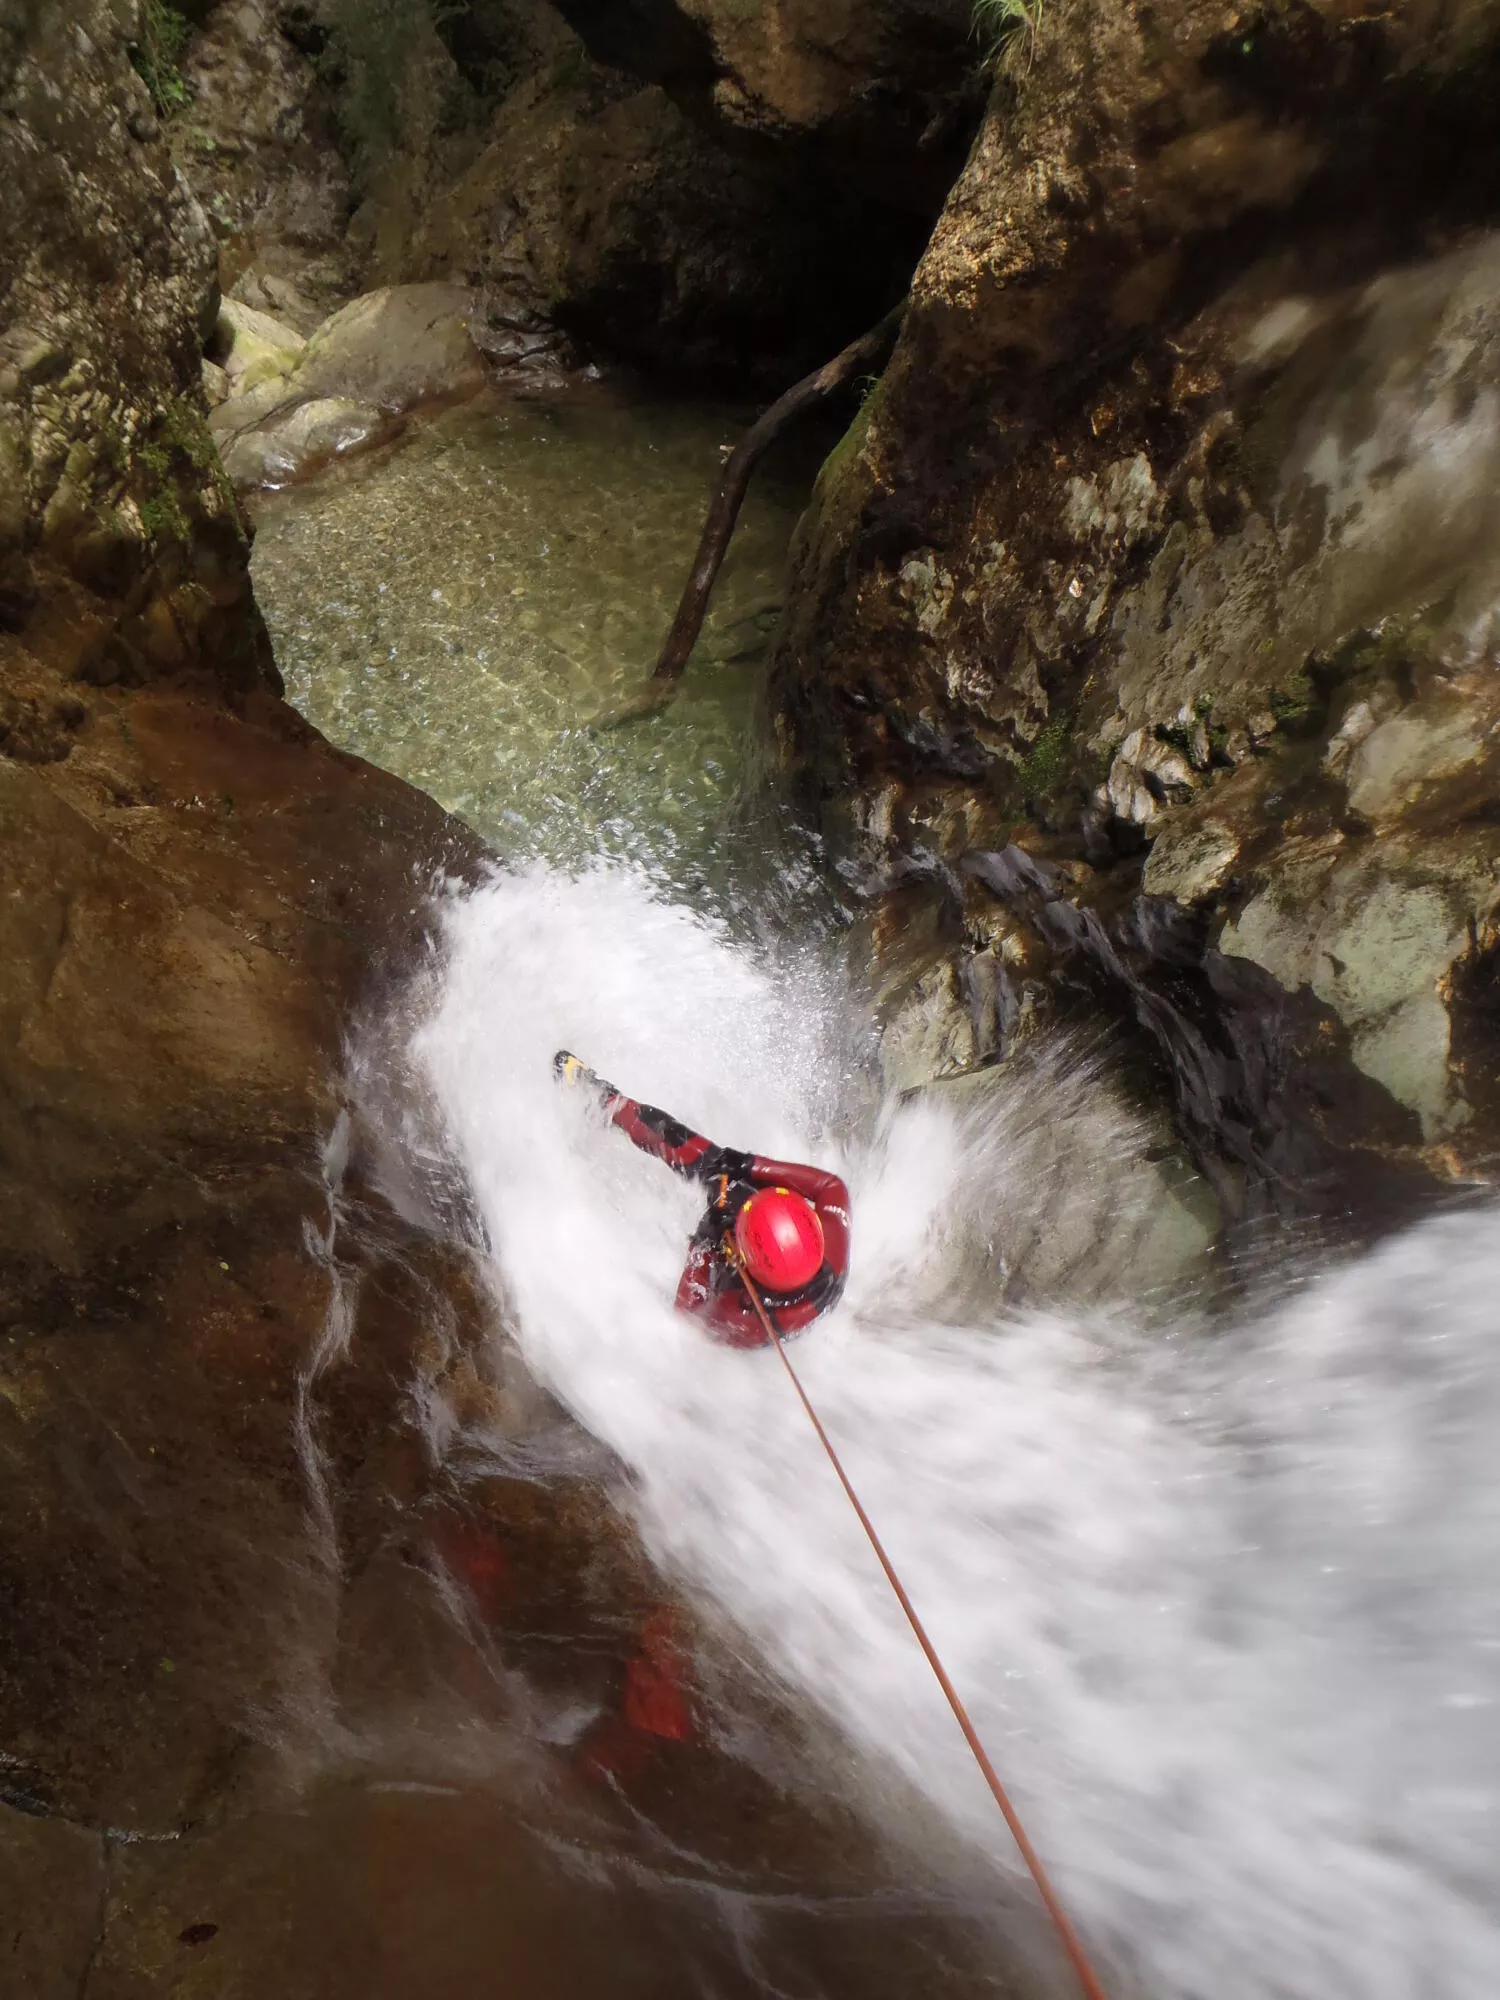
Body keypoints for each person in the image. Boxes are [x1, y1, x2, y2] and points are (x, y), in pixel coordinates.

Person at [553, 1051, 850, 1348]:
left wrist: (705, 1241)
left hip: (747, 1292)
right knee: (716, 1168)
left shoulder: (740, 1314)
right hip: (773, 1272)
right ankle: (608, 1103)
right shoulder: (832, 1251)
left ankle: (606, 1104)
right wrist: (750, 1165)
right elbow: (831, 1186)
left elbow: (685, 1319)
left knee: (715, 1178)